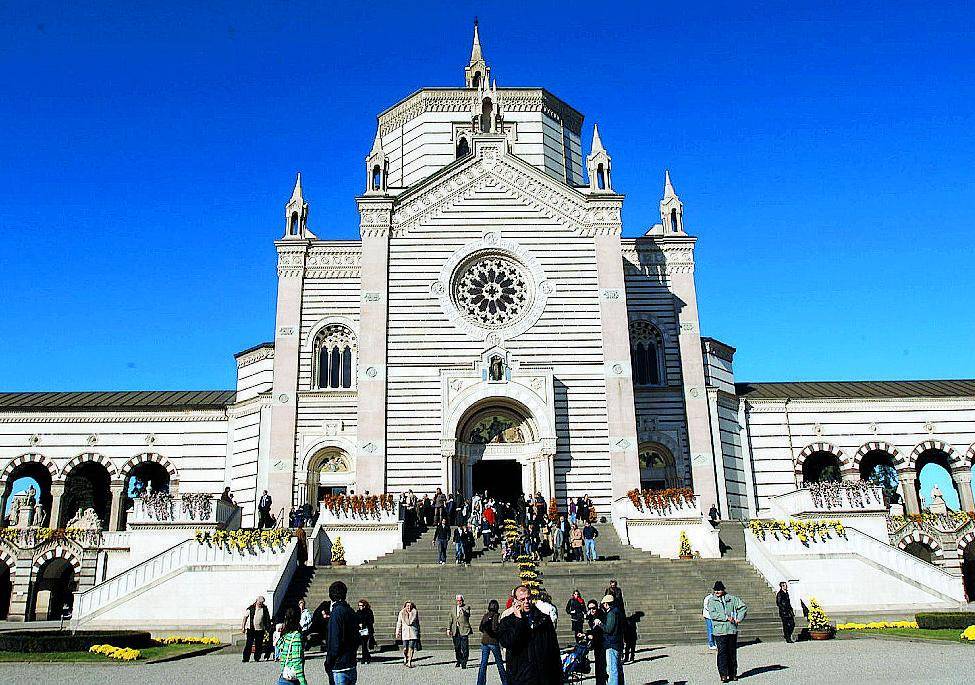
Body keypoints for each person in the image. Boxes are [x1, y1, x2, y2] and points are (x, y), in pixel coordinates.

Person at [498, 585, 562, 685]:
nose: (526, 601)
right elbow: (506, 642)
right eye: (522, 599)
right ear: (515, 601)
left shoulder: (544, 619)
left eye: (528, 598)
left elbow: (554, 649)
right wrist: (518, 621)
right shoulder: (508, 621)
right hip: (521, 677)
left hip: (543, 676)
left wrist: (558, 677)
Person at [706, 581, 747, 683]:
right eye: (715, 590)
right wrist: (725, 618)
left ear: (723, 590)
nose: (717, 592)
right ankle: (723, 674)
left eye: (719, 590)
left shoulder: (732, 599)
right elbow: (712, 614)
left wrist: (739, 618)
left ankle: (733, 673)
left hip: (731, 630)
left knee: (732, 653)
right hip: (719, 631)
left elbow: (743, 607)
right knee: (722, 653)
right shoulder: (711, 601)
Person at [323, 580, 359, 685]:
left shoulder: (336, 613)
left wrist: (329, 662)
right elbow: (357, 637)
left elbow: (335, 641)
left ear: (331, 595)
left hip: (339, 665)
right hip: (351, 662)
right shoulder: (351, 611)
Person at [477, 599, 508, 685]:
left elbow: (480, 627)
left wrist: (486, 633)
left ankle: (480, 683)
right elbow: (494, 628)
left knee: (483, 663)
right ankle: (505, 682)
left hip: (484, 641)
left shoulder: (486, 615)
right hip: (493, 641)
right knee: (499, 663)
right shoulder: (495, 615)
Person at [277, 607, 308, 685]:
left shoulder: (287, 634)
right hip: (291, 679)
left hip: (284, 675)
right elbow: (296, 661)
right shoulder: (296, 636)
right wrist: (303, 681)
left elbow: (279, 646)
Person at [600, 594, 625, 685]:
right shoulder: (618, 611)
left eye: (603, 604)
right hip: (618, 642)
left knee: (612, 669)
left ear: (606, 604)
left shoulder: (611, 613)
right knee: (618, 667)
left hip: (611, 643)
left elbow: (608, 629)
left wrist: (600, 624)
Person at [242, 595, 271, 662]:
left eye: (262, 603)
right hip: (251, 629)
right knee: (249, 644)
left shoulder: (264, 609)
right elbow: (245, 618)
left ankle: (257, 658)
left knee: (259, 644)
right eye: (259, 602)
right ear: (256, 601)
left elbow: (267, 618)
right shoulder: (251, 608)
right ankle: (246, 658)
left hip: (260, 629)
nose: (260, 604)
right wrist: (243, 627)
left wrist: (268, 628)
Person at [584, 599, 607, 685]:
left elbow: (600, 632)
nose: (591, 610)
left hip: (602, 644)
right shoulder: (592, 617)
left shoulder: (600, 616)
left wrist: (590, 636)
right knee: (598, 666)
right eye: (589, 609)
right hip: (597, 645)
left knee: (601, 667)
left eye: (593, 608)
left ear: (597, 607)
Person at [447, 593, 473, 668]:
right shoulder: (453, 609)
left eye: (460, 600)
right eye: (458, 601)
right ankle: (459, 660)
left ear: (462, 600)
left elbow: (467, 614)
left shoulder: (466, 607)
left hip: (464, 630)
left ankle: (464, 662)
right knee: (457, 647)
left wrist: (463, 610)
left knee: (464, 647)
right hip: (456, 630)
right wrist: (448, 628)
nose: (459, 602)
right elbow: (450, 619)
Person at [395, 601, 420, 668]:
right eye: (407, 606)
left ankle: (409, 662)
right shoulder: (402, 613)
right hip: (405, 632)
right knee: (405, 648)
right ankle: (405, 657)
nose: (409, 607)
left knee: (411, 648)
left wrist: (418, 632)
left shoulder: (415, 612)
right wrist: (397, 631)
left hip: (413, 632)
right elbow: (399, 623)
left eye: (410, 606)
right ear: (405, 606)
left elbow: (417, 623)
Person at [356, 599, 375, 664]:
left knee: (364, 644)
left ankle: (364, 658)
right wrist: (358, 624)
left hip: (367, 630)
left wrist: (363, 624)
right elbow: (356, 619)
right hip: (360, 630)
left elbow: (371, 621)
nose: (360, 607)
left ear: (364, 605)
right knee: (363, 645)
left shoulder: (369, 612)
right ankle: (367, 657)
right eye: (359, 605)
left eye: (361, 605)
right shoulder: (358, 612)